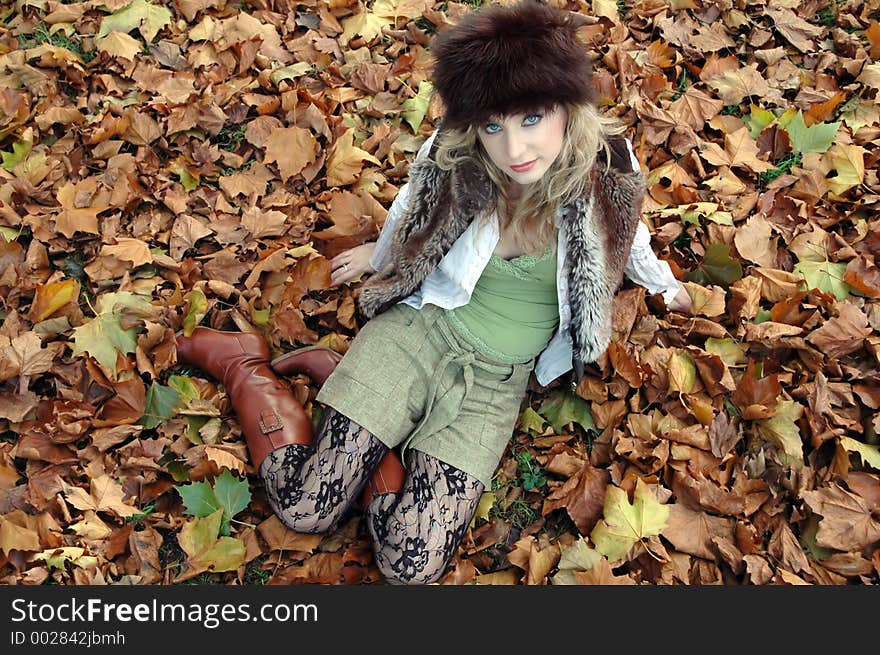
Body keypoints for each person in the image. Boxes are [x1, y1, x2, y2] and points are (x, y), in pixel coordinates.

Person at [174, 0, 691, 585]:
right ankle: (246, 366)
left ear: (567, 109)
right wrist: (383, 254)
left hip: (494, 383)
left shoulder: (605, 178)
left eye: (530, 119)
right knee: (306, 507)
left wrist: (669, 289)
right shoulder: (457, 159)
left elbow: (630, 242)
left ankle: (366, 424)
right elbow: (411, 211)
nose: (514, 150)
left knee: (410, 567)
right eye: (493, 125)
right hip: (420, 332)